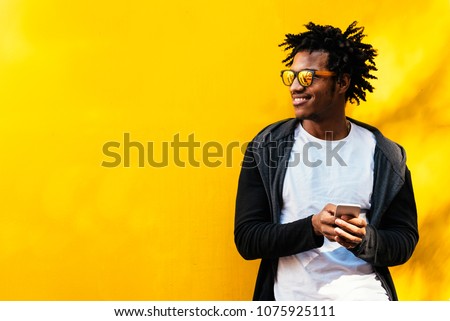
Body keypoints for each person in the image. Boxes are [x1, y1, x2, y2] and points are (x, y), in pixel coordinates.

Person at [234, 21, 419, 301]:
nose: (295, 87)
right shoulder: (266, 148)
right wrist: (312, 227)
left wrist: (363, 240)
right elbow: (248, 239)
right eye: (291, 76)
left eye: (308, 77)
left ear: (342, 82)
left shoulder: (385, 155)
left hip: (365, 302)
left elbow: (404, 241)